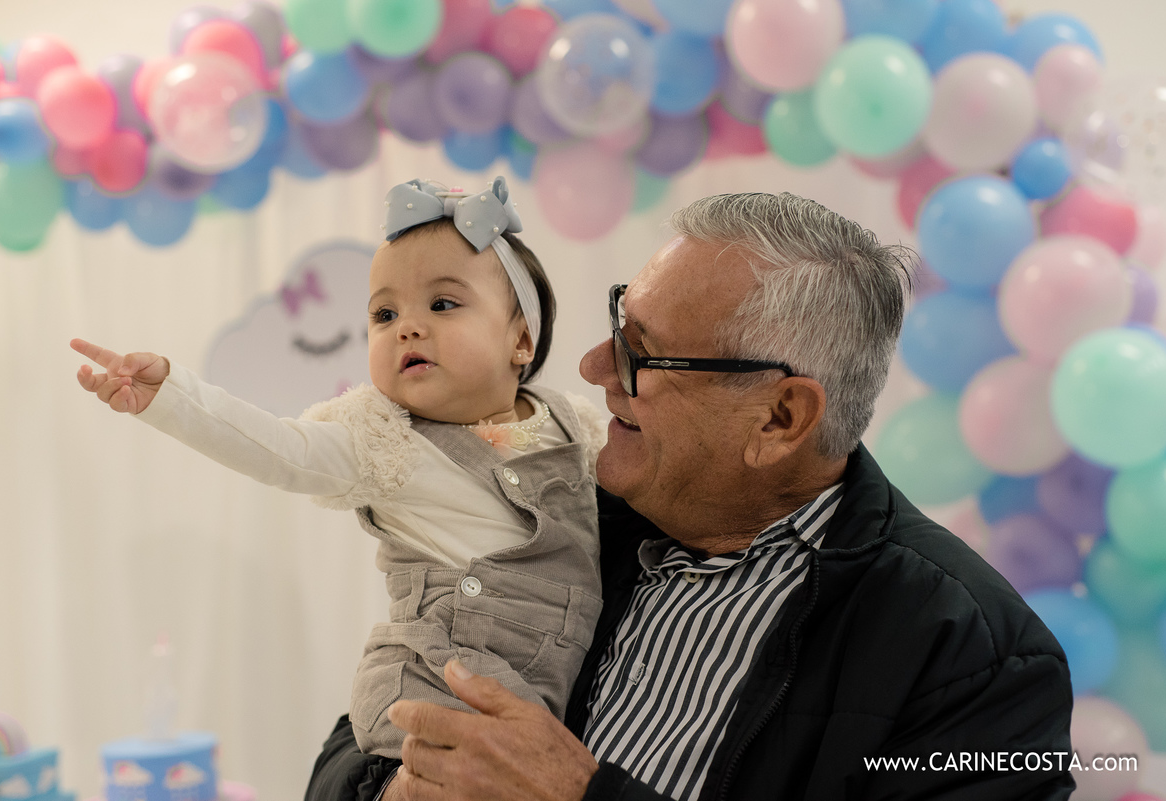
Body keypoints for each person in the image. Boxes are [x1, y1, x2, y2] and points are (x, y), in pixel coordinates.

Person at [304, 190, 1075, 801]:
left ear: (780, 417)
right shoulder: (561, 511)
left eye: (642, 353)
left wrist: (584, 796)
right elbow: (358, 742)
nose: (594, 365)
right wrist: (398, 788)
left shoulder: (977, 661)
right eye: (618, 321)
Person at [70, 176, 607, 761]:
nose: (408, 325)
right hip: (435, 681)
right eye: (384, 313)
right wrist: (170, 395)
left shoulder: (575, 426)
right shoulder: (383, 441)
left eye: (443, 304)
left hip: (553, 689)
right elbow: (278, 447)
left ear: (521, 340)